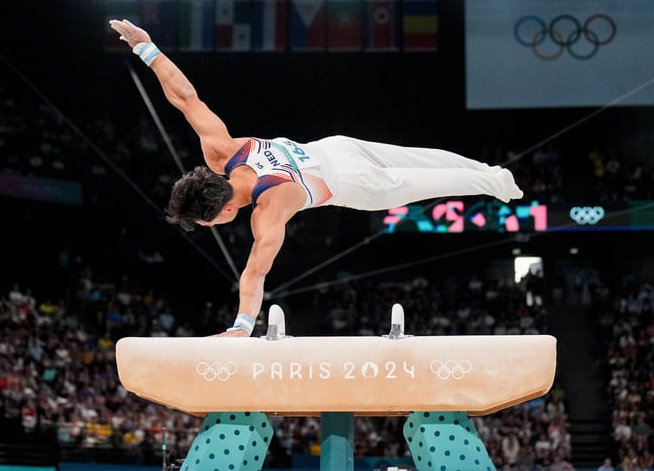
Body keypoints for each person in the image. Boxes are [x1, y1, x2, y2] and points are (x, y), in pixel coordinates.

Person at [109, 19, 525, 337]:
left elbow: (255, 273)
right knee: (425, 160)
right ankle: (492, 175)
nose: (211, 226)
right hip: (334, 147)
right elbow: (186, 97)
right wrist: (146, 48)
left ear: (227, 208)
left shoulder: (268, 210)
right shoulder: (223, 150)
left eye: (208, 222)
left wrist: (241, 326)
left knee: (425, 183)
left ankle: (491, 183)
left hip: (352, 186)